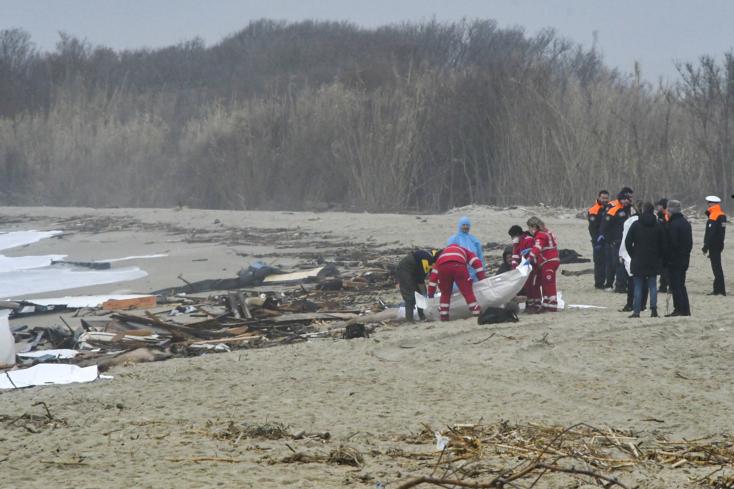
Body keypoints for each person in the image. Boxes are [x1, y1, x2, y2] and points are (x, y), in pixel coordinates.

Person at [625, 202, 666, 318]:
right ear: (653, 211)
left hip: (638, 258)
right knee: (652, 285)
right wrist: (659, 256)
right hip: (653, 259)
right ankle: (654, 310)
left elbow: (628, 242)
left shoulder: (636, 224)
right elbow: (663, 244)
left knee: (638, 285)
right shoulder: (658, 225)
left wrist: (633, 254)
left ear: (642, 210)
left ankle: (637, 311)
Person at [427, 245, 487, 321]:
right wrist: (482, 279)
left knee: (445, 294)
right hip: (459, 266)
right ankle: (476, 312)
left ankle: (444, 316)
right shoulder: (464, 250)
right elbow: (477, 263)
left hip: (443, 268)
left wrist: (431, 295)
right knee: (467, 292)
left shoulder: (440, 259)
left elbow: (432, 280)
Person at [598, 192, 632, 291]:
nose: (627, 201)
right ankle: (615, 285)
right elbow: (605, 226)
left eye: (628, 199)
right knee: (616, 263)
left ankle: (623, 284)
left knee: (625, 263)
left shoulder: (629, 209)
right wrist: (609, 239)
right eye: (625, 199)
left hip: (626, 241)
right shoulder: (614, 209)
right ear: (620, 200)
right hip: (616, 241)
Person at [526, 216, 560, 312]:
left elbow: (538, 247)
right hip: (551, 260)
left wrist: (530, 257)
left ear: (534, 227)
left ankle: (552, 305)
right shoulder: (547, 232)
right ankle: (546, 303)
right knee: (546, 282)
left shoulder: (540, 235)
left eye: (530, 227)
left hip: (549, 261)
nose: (529, 230)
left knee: (549, 283)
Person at [665, 200, 692, 316]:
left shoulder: (673, 224)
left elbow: (672, 244)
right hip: (685, 258)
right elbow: (689, 243)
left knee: (676, 285)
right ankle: (686, 309)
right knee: (681, 284)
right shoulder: (685, 222)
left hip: (675, 260)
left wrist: (669, 259)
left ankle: (679, 309)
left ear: (670, 210)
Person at [619, 201, 647, 312]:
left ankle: (630, 304)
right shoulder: (654, 220)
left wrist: (621, 254)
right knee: (645, 281)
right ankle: (643, 304)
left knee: (632, 281)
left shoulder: (630, 221)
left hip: (632, 255)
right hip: (647, 254)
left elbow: (625, 240)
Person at [396, 249, 437, 321]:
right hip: (405, 270)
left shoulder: (432, 258)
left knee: (420, 295)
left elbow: (427, 276)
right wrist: (424, 293)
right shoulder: (426, 260)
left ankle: (422, 316)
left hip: (415, 270)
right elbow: (420, 279)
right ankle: (409, 319)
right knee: (410, 297)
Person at [447, 216, 485, 281]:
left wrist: (482, 270)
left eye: (467, 225)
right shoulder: (453, 239)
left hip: (474, 273)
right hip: (460, 272)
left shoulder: (474, 239)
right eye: (463, 225)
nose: (465, 227)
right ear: (459, 225)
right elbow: (449, 256)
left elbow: (480, 256)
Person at [702, 195, 727, 296]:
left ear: (712, 203)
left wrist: (706, 246)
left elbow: (711, 233)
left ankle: (719, 290)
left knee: (716, 268)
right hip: (719, 244)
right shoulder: (722, 215)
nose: (707, 205)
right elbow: (722, 232)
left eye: (708, 203)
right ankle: (719, 289)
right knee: (717, 267)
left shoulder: (714, 215)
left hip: (713, 245)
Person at [588, 190, 610, 289]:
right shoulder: (594, 210)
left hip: (608, 239)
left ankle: (607, 281)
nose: (605, 200)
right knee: (599, 262)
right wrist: (596, 240)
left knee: (608, 261)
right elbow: (592, 228)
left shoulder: (609, 208)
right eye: (603, 198)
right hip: (597, 240)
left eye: (606, 198)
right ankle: (599, 283)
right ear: (599, 197)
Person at [656, 198, 671, 293]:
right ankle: (663, 285)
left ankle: (665, 285)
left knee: (665, 267)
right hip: (663, 244)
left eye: (659, 205)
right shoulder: (660, 215)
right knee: (663, 267)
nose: (657, 207)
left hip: (666, 245)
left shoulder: (666, 216)